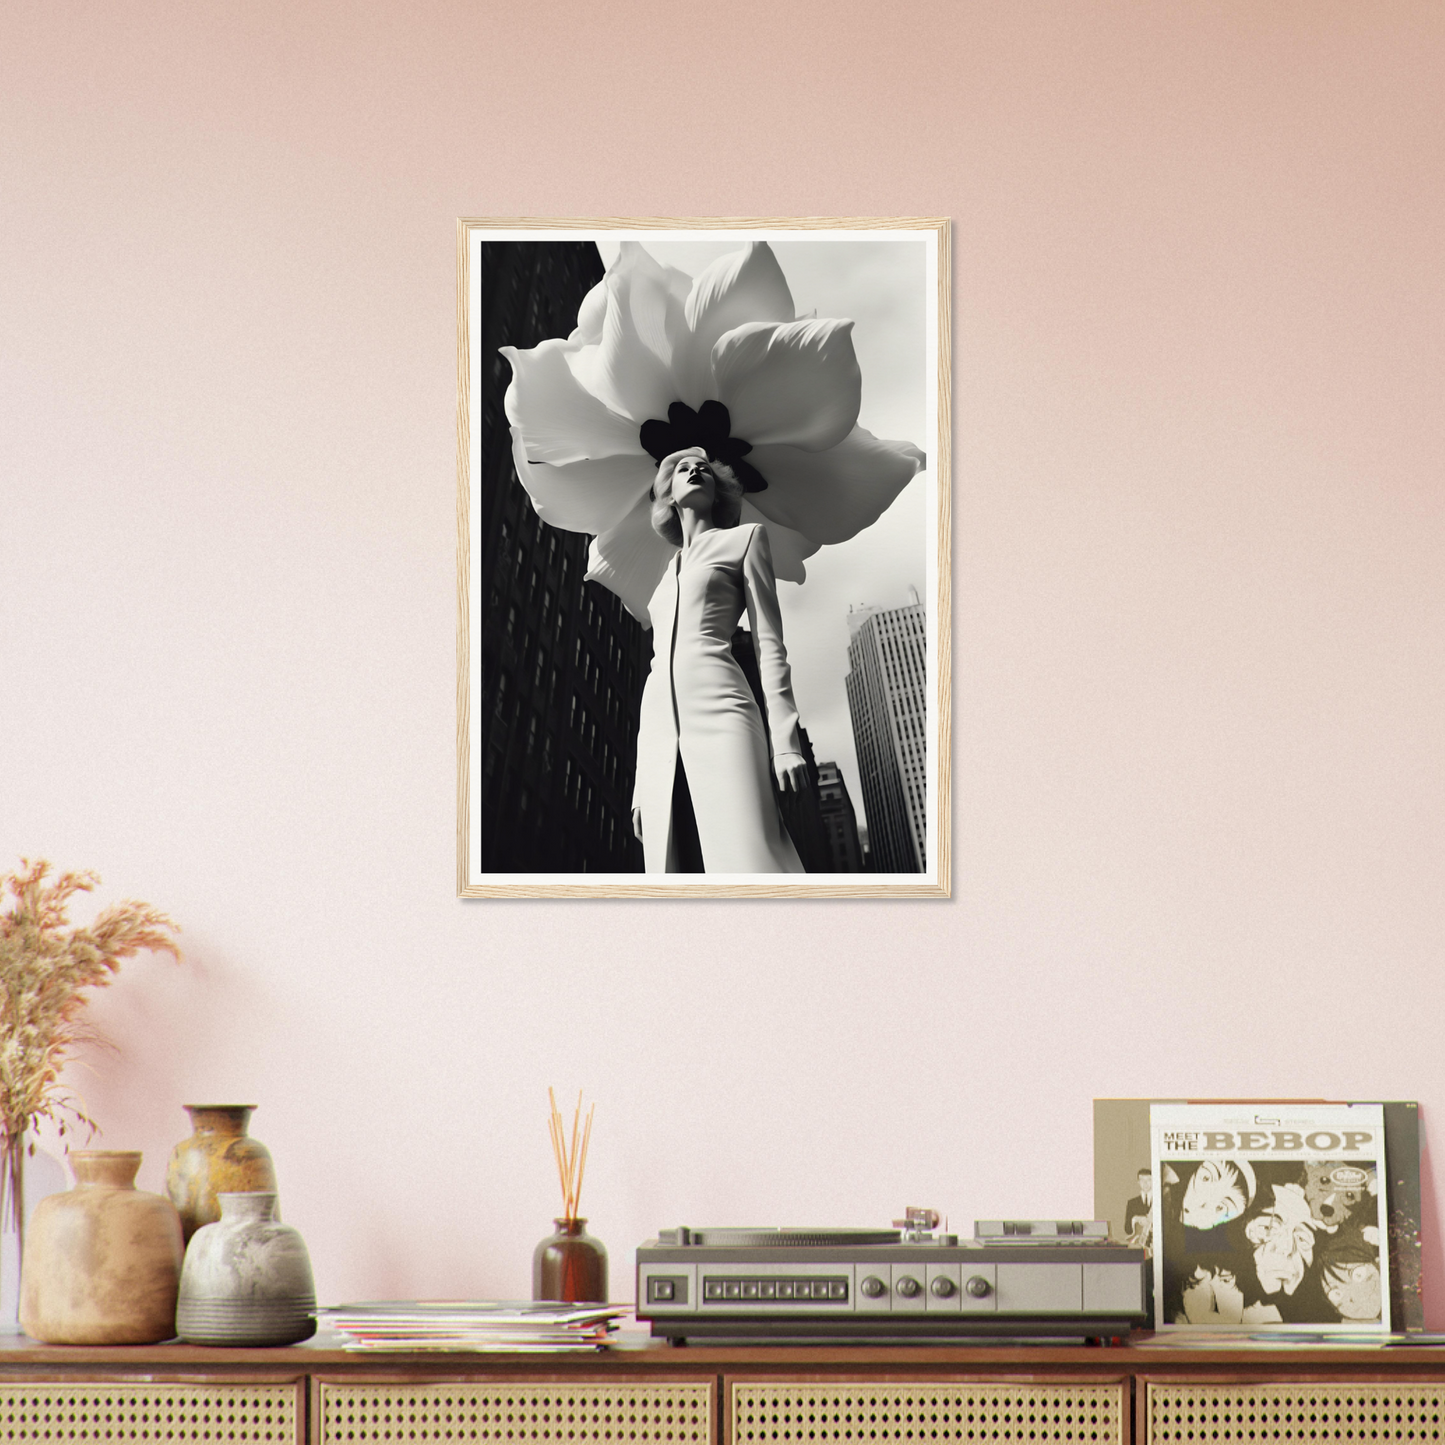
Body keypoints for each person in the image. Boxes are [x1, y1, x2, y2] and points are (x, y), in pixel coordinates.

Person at [630, 449, 809, 873]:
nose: (694, 471)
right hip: (659, 731)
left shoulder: (745, 539)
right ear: (669, 495)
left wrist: (785, 742)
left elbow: (770, 643)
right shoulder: (664, 576)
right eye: (683, 470)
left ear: (717, 491)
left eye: (705, 469)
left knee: (750, 854)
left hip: (724, 710)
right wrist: (642, 781)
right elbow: (657, 671)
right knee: (673, 868)